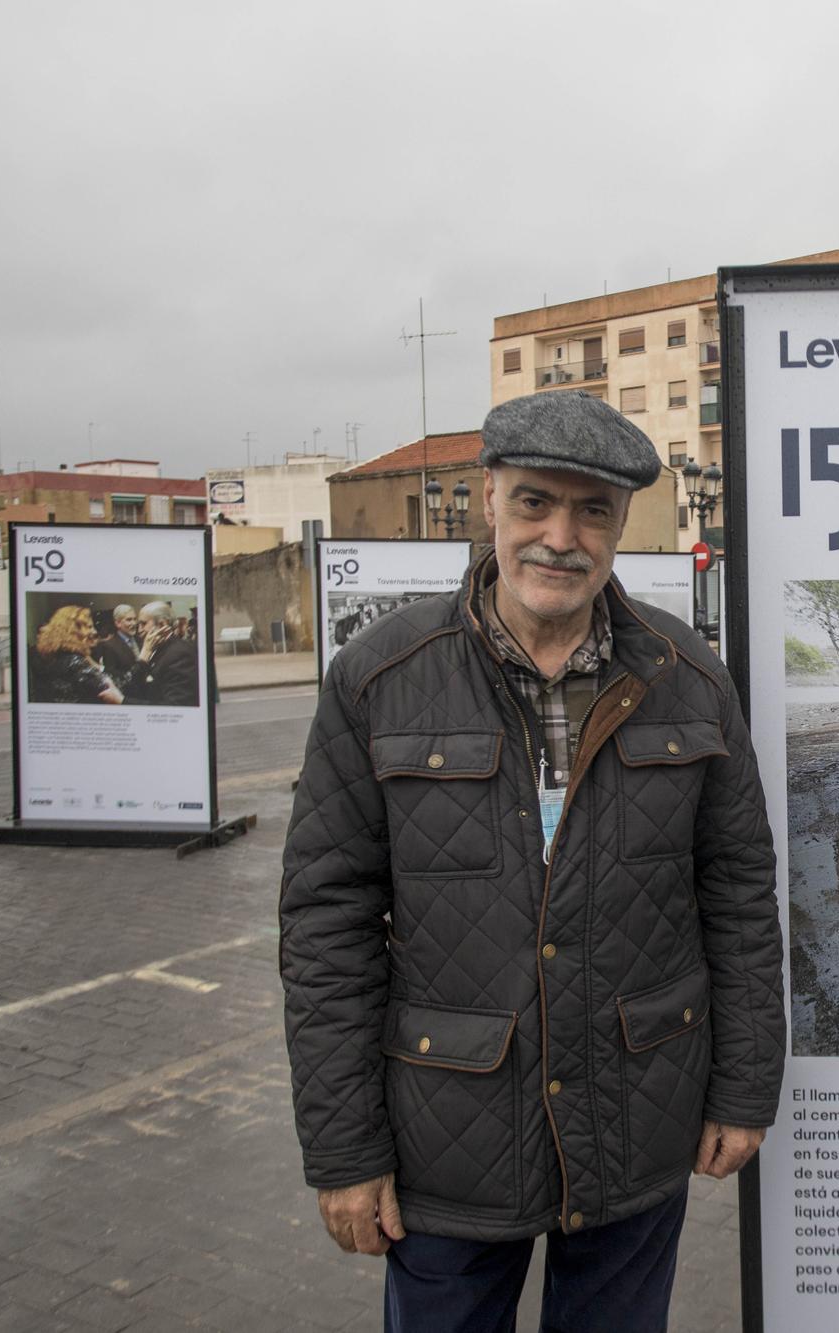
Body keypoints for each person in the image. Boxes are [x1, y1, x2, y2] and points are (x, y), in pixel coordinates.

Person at [280, 390, 783, 1333]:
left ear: (623, 523)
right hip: (448, 1140)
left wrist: (745, 1088)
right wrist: (345, 1150)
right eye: (535, 503)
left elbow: (739, 894)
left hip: (637, 1118)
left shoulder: (690, 678)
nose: (561, 536)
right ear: (487, 499)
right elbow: (326, 922)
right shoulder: (379, 679)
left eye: (593, 509)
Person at [30, 605, 124, 705]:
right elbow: (118, 688)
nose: (94, 631)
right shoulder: (75, 662)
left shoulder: (56, 657)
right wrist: (142, 659)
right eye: (89, 627)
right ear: (73, 631)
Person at [121, 601, 199, 707]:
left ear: (163, 624)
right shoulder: (155, 648)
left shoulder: (180, 654)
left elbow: (175, 706)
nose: (139, 630)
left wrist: (122, 701)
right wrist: (144, 656)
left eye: (143, 624)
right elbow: (133, 690)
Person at [94, 603, 142, 680]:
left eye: (135, 619)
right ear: (118, 623)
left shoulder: (140, 639)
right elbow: (112, 675)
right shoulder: (109, 646)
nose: (134, 623)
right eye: (129, 620)